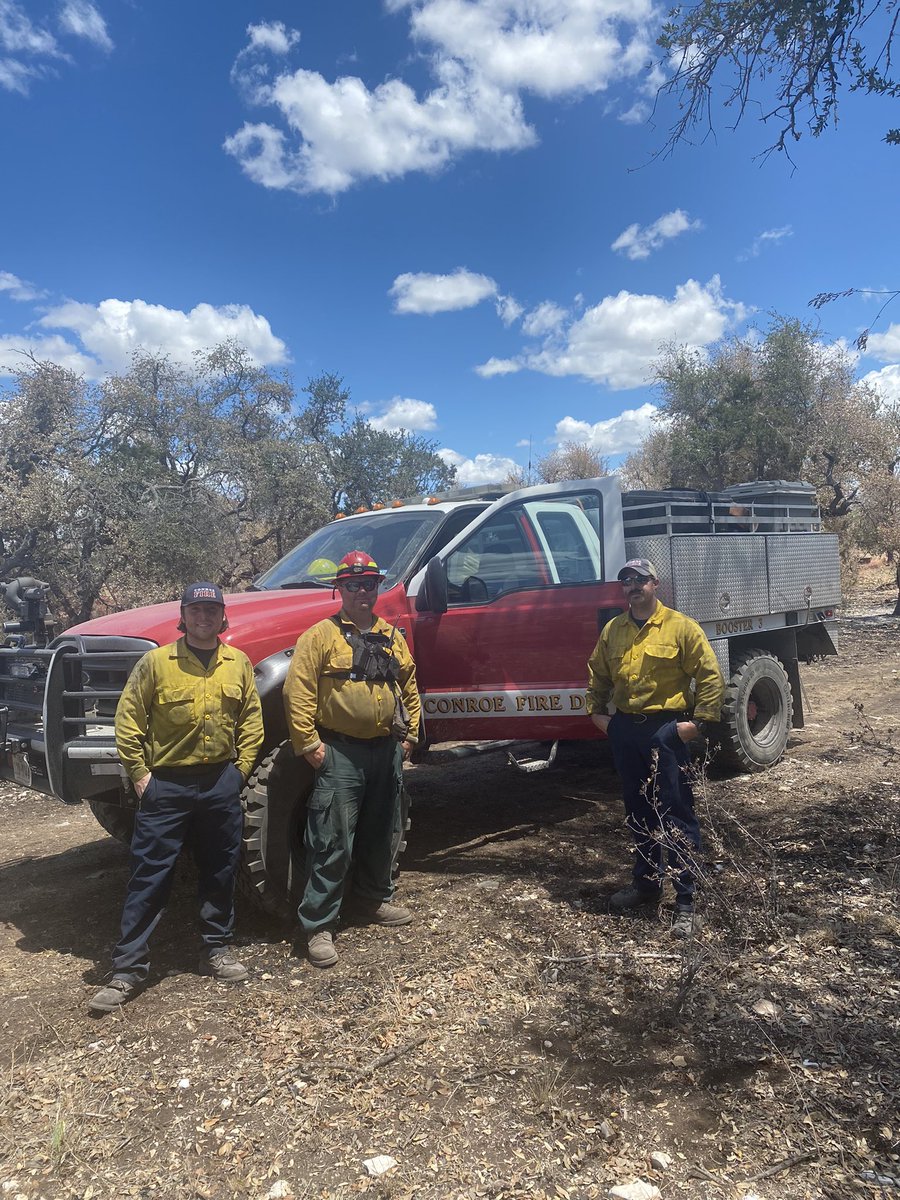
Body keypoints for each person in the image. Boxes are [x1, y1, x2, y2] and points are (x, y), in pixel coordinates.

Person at [89, 582, 264, 1013]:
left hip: (219, 783)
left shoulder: (238, 663)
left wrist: (238, 773)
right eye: (196, 610)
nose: (204, 617)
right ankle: (128, 969)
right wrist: (142, 777)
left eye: (212, 610)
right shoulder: (155, 663)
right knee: (150, 874)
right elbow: (128, 721)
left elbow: (252, 722)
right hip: (166, 785)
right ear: (182, 617)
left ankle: (216, 950)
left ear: (223, 617)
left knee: (220, 869)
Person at [283, 550, 421, 968]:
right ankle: (318, 924)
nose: (363, 591)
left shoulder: (391, 636)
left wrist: (410, 735)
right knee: (331, 839)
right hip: (339, 752)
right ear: (339, 589)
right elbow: (297, 692)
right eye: (353, 584)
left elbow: (410, 685)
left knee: (384, 830)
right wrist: (309, 745)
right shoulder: (320, 636)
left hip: (386, 751)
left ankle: (374, 900)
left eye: (370, 584)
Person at [586, 558, 724, 937]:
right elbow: (597, 674)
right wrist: (598, 716)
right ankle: (646, 886)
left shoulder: (681, 627)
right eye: (626, 581)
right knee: (638, 809)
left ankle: (686, 901)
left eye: (640, 580)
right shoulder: (613, 630)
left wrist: (697, 724)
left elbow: (710, 676)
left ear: (655, 583)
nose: (633, 586)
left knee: (676, 812)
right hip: (625, 730)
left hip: (666, 731)